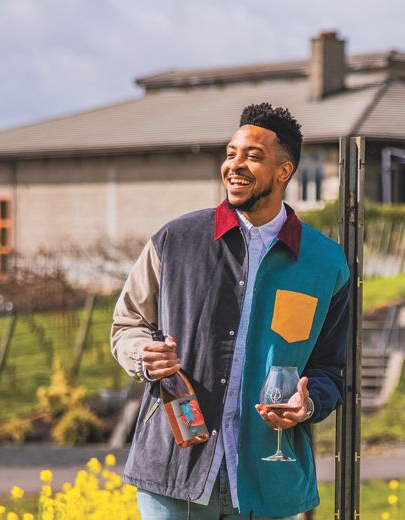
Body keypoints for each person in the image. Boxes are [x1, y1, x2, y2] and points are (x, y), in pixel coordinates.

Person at [111, 102, 350, 519]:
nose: (234, 165)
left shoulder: (325, 263)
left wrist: (307, 406)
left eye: (252, 156)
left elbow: (331, 368)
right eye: (231, 153)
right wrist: (142, 356)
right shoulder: (175, 239)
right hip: (173, 473)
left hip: (269, 481)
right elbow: (128, 323)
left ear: (284, 171)